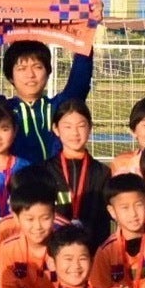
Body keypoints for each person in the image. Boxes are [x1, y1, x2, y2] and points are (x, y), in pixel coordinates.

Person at [0, 33, 95, 165]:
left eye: (37, 67)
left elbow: (81, 77)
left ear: (48, 72)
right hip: (14, 178)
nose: (30, 75)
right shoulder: (1, 111)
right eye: (21, 68)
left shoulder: (61, 108)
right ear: (10, 76)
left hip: (58, 178)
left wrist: (86, 30)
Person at [0, 181, 62, 288]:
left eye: (45, 218)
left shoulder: (65, 245)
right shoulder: (9, 249)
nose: (37, 226)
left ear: (54, 215)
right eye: (30, 219)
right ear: (16, 218)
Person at [52, 98, 111, 246]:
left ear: (90, 128)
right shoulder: (45, 171)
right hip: (56, 251)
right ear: (56, 129)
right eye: (68, 127)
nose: (75, 133)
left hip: (93, 250)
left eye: (81, 126)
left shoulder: (102, 173)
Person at [91, 173, 145, 288]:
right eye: (125, 208)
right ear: (112, 211)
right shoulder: (105, 252)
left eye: (138, 205)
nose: (133, 213)